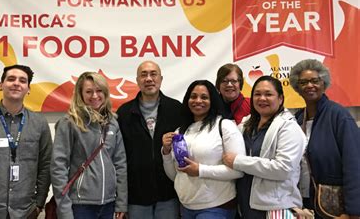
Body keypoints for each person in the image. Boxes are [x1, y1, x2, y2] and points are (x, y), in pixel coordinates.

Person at [0, 64, 52, 218]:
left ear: (28, 88)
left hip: (25, 212)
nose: (16, 83)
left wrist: (39, 204)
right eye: (11, 79)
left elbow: (46, 165)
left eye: (22, 81)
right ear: (1, 85)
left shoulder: (39, 123)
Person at [222, 76, 306, 219]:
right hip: (246, 205)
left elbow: (283, 169)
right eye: (257, 94)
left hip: (275, 207)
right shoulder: (247, 124)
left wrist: (238, 161)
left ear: (280, 99)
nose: (262, 98)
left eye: (268, 94)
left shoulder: (289, 128)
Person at [162, 80, 245, 219]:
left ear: (213, 100)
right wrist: (165, 152)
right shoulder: (181, 131)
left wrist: (200, 170)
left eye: (204, 97)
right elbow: (175, 176)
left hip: (216, 207)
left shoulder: (225, 126)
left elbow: (239, 171)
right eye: (193, 96)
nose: (198, 101)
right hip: (186, 207)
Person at [289, 59, 360, 218]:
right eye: (303, 82)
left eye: (315, 80)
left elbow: (354, 164)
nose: (309, 85)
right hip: (304, 203)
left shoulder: (339, 116)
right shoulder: (297, 119)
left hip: (335, 206)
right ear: (297, 87)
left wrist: (353, 211)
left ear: (324, 83)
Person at [51, 72, 127, 219]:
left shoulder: (113, 123)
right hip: (80, 204)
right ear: (80, 94)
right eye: (88, 91)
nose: (94, 96)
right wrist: (64, 209)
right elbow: (58, 167)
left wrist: (121, 202)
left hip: (108, 204)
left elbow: (120, 164)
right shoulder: (69, 123)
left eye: (99, 91)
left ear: (105, 93)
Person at [117, 61, 182, 219]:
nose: (148, 78)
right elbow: (119, 159)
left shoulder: (176, 109)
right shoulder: (124, 113)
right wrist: (121, 200)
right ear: (137, 80)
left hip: (169, 194)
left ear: (161, 78)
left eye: (153, 74)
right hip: (136, 196)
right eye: (143, 74)